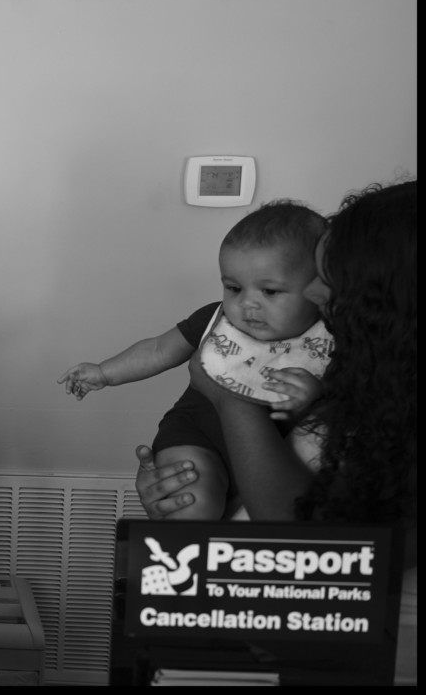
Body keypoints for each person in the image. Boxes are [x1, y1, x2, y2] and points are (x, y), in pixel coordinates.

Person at [134, 180, 417, 685]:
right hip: (269, 645)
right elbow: (296, 481)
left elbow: (312, 544)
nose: (314, 292)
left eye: (332, 278)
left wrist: (231, 401)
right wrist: (194, 486)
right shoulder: (371, 380)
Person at [59, 200, 330, 520]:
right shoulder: (216, 320)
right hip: (197, 437)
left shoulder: (327, 341)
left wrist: (312, 397)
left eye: (269, 291)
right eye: (234, 288)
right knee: (191, 504)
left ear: (319, 286)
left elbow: (331, 415)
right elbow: (159, 349)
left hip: (270, 455)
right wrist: (105, 372)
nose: (247, 304)